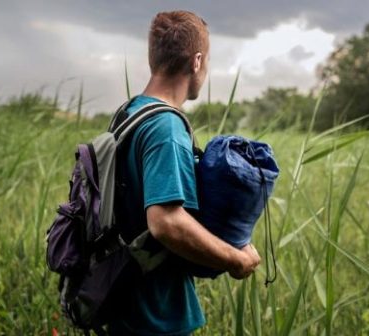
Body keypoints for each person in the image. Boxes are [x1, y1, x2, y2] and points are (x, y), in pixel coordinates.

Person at [107, 10, 261, 335]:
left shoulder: (129, 112)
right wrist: (235, 259)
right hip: (154, 314)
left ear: (154, 59)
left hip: (120, 299)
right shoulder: (166, 128)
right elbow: (165, 222)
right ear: (196, 61)